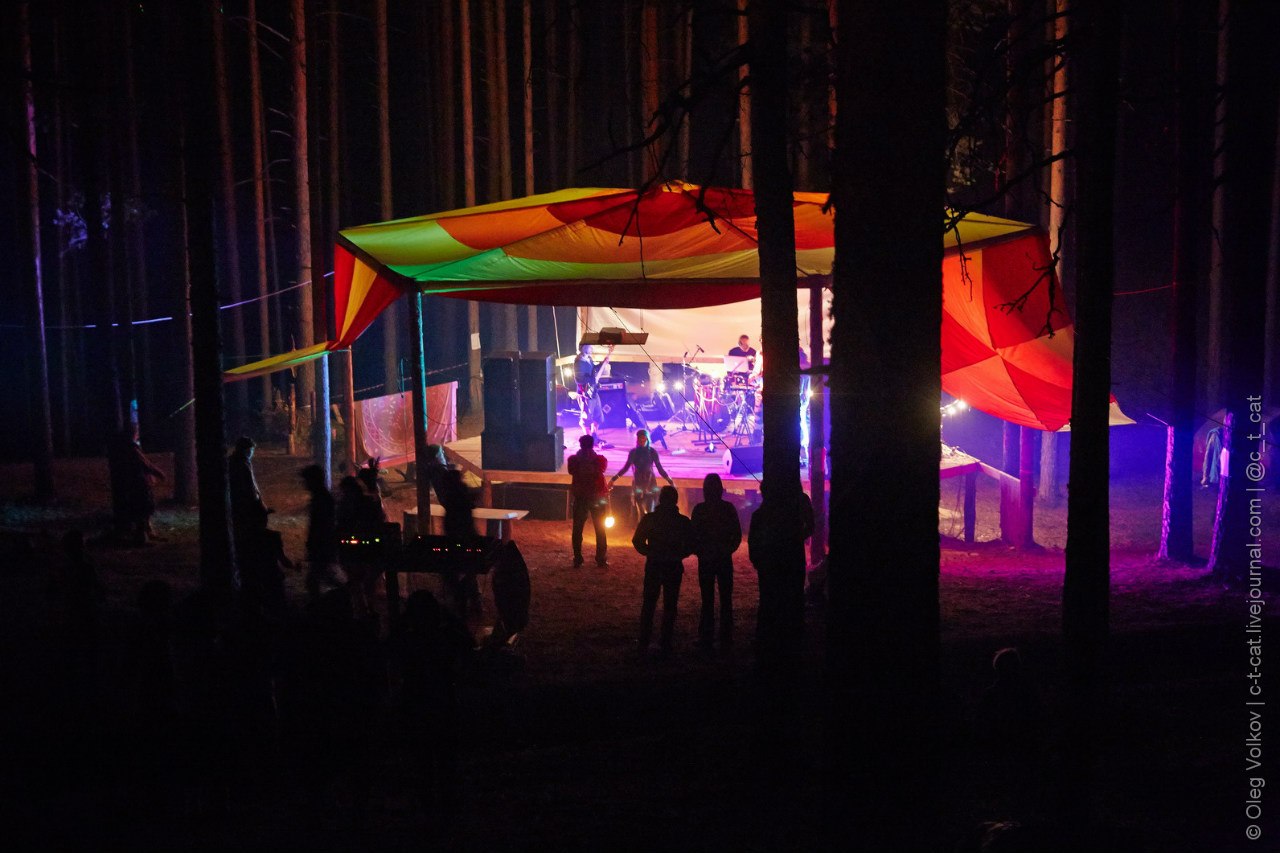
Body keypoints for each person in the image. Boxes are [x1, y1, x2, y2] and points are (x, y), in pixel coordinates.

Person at [748, 482, 814, 670]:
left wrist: (757, 560)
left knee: (769, 600)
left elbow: (754, 541)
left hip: (772, 562)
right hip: (788, 559)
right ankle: (789, 641)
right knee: (789, 598)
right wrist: (798, 537)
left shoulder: (762, 514)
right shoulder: (798, 502)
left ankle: (768, 641)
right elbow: (811, 526)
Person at [632, 485, 693, 658]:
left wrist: (650, 553)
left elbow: (637, 541)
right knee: (670, 605)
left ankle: (644, 641)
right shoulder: (682, 522)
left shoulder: (650, 519)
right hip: (673, 566)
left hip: (654, 565)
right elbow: (691, 544)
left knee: (649, 603)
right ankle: (666, 642)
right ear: (675, 501)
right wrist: (679, 555)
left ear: (660, 499)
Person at [690, 473, 741, 651]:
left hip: (706, 559)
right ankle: (726, 638)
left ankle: (706, 637)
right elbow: (737, 535)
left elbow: (693, 536)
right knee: (726, 599)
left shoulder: (699, 510)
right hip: (724, 558)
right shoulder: (728, 508)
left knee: (707, 599)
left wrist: (700, 551)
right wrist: (727, 550)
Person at [108, 424, 166, 545]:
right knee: (143, 508)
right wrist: (159, 473)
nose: (138, 433)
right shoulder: (132, 448)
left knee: (145, 508)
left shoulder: (127, 448)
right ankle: (141, 537)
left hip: (135, 482)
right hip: (138, 483)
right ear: (133, 433)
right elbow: (145, 464)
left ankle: (148, 532)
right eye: (136, 431)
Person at [567, 434, 610, 568]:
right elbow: (600, 470)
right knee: (600, 529)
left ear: (580, 445)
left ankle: (578, 558)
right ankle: (600, 559)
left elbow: (571, 471)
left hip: (581, 497)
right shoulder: (600, 460)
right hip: (596, 497)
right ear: (593, 445)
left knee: (578, 529)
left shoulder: (573, 460)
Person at [610, 429, 673, 520]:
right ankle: (642, 526)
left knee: (650, 512)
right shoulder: (633, 452)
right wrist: (613, 479)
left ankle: (650, 527)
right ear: (637, 440)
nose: (642, 441)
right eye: (640, 439)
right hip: (638, 483)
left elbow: (659, 468)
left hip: (650, 482)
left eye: (644, 439)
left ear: (647, 439)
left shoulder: (652, 452)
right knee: (641, 512)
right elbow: (625, 468)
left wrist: (669, 480)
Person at [300, 464, 341, 604]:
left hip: (322, 545)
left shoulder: (322, 499)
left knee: (314, 581)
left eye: (307, 480)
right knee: (325, 577)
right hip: (323, 545)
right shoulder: (321, 497)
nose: (305, 484)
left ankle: (319, 607)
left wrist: (315, 543)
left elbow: (322, 525)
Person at [227, 436, 269, 537]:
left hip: (239, 500)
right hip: (245, 501)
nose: (252, 452)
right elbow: (250, 484)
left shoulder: (237, 461)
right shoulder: (243, 464)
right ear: (246, 450)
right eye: (251, 450)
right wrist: (257, 500)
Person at [573, 343, 614, 442]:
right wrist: (593, 380)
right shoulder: (579, 362)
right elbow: (579, 379)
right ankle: (587, 440)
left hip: (594, 391)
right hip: (585, 393)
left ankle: (594, 435)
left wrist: (603, 363)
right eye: (590, 347)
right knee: (587, 417)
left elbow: (593, 369)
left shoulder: (589, 359)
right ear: (584, 348)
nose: (592, 349)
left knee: (598, 416)